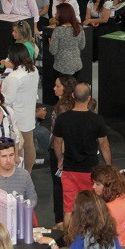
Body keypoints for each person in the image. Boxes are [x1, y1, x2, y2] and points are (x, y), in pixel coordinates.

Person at [52, 82, 111, 226]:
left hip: (69, 170)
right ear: (89, 98)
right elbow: (104, 145)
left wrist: (60, 160)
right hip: (90, 172)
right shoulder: (97, 120)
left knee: (69, 209)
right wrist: (108, 166)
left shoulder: (63, 119)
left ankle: (69, 238)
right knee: (93, 208)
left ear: (73, 96)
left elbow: (57, 143)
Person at [2, 44, 40, 172]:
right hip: (28, 114)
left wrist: (0, 93)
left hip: (16, 116)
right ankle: (28, 173)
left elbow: (8, 100)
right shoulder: (34, 70)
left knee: (17, 148)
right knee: (29, 145)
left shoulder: (15, 77)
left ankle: (19, 175)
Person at [48, 75, 77, 226]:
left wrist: (61, 157)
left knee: (59, 187)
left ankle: (61, 221)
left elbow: (64, 135)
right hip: (63, 151)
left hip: (60, 151)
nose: (54, 88)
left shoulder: (63, 108)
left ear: (66, 88)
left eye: (58, 86)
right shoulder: (68, 104)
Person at [48, 3, 85, 79]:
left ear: (63, 15)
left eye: (57, 12)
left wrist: (51, 43)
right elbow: (82, 46)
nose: (55, 14)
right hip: (76, 64)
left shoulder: (58, 30)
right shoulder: (79, 28)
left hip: (61, 67)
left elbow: (53, 51)